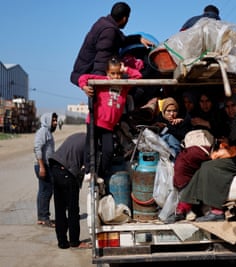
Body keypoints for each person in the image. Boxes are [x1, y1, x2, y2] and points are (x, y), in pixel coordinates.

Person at [174, 94, 236, 222]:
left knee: (211, 168)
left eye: (233, 106)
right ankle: (184, 206)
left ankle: (217, 211)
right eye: (227, 107)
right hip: (235, 154)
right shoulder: (230, 121)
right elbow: (234, 140)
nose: (230, 109)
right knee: (204, 166)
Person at [78, 56, 142, 191]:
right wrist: (84, 87)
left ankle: (99, 173)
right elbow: (83, 77)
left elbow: (138, 76)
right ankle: (89, 171)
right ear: (107, 73)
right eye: (113, 73)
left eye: (119, 73)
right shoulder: (102, 82)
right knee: (92, 147)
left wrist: (126, 69)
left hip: (109, 126)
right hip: (95, 121)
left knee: (108, 151)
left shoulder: (124, 85)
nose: (116, 76)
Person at [70, 2, 153, 86]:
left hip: (84, 72)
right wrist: (99, 85)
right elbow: (101, 61)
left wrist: (138, 39)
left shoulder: (104, 23)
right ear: (125, 18)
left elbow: (121, 40)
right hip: (90, 75)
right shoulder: (109, 31)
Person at [49, 133, 91, 249]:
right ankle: (74, 241)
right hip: (66, 171)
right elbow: (88, 166)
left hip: (55, 167)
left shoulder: (79, 136)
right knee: (73, 209)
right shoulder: (90, 143)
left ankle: (62, 242)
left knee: (60, 208)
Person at [34, 112, 58, 227]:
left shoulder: (48, 132)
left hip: (46, 165)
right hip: (43, 165)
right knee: (46, 191)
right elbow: (37, 148)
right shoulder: (42, 132)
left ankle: (41, 217)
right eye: (53, 120)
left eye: (55, 120)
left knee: (43, 191)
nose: (55, 123)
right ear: (47, 120)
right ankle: (44, 218)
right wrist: (42, 166)